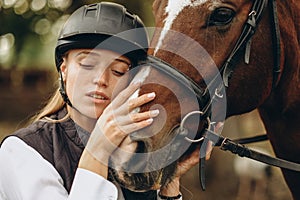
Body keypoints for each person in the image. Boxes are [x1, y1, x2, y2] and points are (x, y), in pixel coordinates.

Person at [0, 2, 200, 200]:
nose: (101, 80)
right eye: (87, 64)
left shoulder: (138, 151)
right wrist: (98, 149)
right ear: (64, 70)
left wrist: (168, 186)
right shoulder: (21, 153)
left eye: (118, 71)